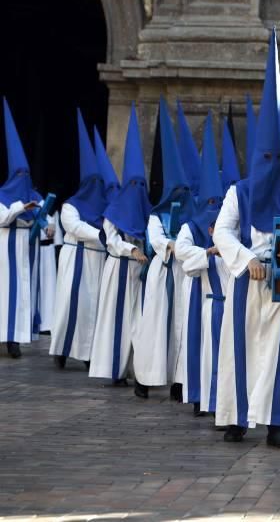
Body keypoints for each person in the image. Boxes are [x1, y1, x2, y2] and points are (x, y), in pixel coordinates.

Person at [212, 28, 280, 448]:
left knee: (277, 351)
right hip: (246, 277)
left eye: (277, 158)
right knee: (239, 347)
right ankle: (237, 418)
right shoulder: (238, 191)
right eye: (265, 158)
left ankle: (275, 422)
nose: (271, 165)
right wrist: (245, 259)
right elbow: (222, 230)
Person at [132, 97, 196, 399]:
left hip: (184, 275)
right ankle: (144, 377)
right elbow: (157, 241)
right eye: (176, 191)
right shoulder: (157, 215)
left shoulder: (193, 217)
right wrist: (175, 245)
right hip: (163, 273)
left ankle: (178, 382)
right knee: (156, 327)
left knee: (181, 328)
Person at [89, 104, 151, 383]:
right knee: (116, 319)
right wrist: (132, 249)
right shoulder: (113, 211)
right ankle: (113, 370)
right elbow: (112, 241)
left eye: (142, 184)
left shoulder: (146, 210)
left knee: (137, 321)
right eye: (133, 183)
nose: (138, 189)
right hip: (118, 270)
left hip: (139, 274)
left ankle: (134, 369)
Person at [175, 113, 230, 416]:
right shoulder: (189, 228)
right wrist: (208, 252)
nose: (215, 210)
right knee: (200, 346)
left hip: (226, 297)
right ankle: (198, 396)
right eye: (210, 204)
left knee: (222, 351)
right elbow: (183, 253)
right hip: (200, 295)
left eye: (218, 204)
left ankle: (219, 398)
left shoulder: (229, 227)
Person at [50, 111, 109, 368]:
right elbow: (73, 226)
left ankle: (88, 353)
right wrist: (99, 234)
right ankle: (61, 349)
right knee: (70, 305)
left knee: (93, 307)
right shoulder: (70, 206)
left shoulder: (106, 207)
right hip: (76, 258)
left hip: (97, 261)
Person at [0, 98, 45, 359]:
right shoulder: (4, 197)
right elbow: (3, 219)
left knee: (21, 293)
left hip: (24, 248)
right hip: (4, 247)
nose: (23, 180)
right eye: (19, 175)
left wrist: (44, 220)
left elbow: (43, 219)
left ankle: (15, 338)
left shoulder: (34, 196)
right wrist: (20, 207)